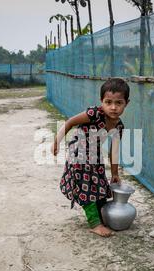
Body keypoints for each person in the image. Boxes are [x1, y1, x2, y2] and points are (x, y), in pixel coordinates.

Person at [52, 78, 130, 237]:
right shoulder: (94, 113)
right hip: (79, 152)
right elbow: (70, 122)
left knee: (100, 182)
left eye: (118, 103)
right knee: (85, 183)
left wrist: (115, 174)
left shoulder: (119, 126)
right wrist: (56, 141)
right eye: (108, 102)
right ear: (101, 101)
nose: (113, 107)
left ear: (126, 103)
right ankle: (95, 223)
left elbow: (113, 152)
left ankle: (102, 214)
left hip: (95, 154)